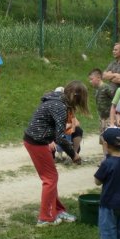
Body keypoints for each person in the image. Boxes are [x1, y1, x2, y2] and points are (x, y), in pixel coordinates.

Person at [23, 81, 89, 226]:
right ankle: (45, 218)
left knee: (51, 177)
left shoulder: (57, 99)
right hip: (36, 142)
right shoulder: (60, 106)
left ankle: (58, 210)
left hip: (37, 140)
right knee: (50, 178)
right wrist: (73, 154)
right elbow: (60, 137)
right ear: (75, 97)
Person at [88, 68, 114, 155]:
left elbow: (115, 101)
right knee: (103, 139)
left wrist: (113, 116)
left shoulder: (106, 88)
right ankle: (105, 158)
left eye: (91, 79)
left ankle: (111, 157)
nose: (90, 81)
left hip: (109, 118)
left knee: (109, 138)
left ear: (98, 78)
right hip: (102, 118)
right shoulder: (97, 89)